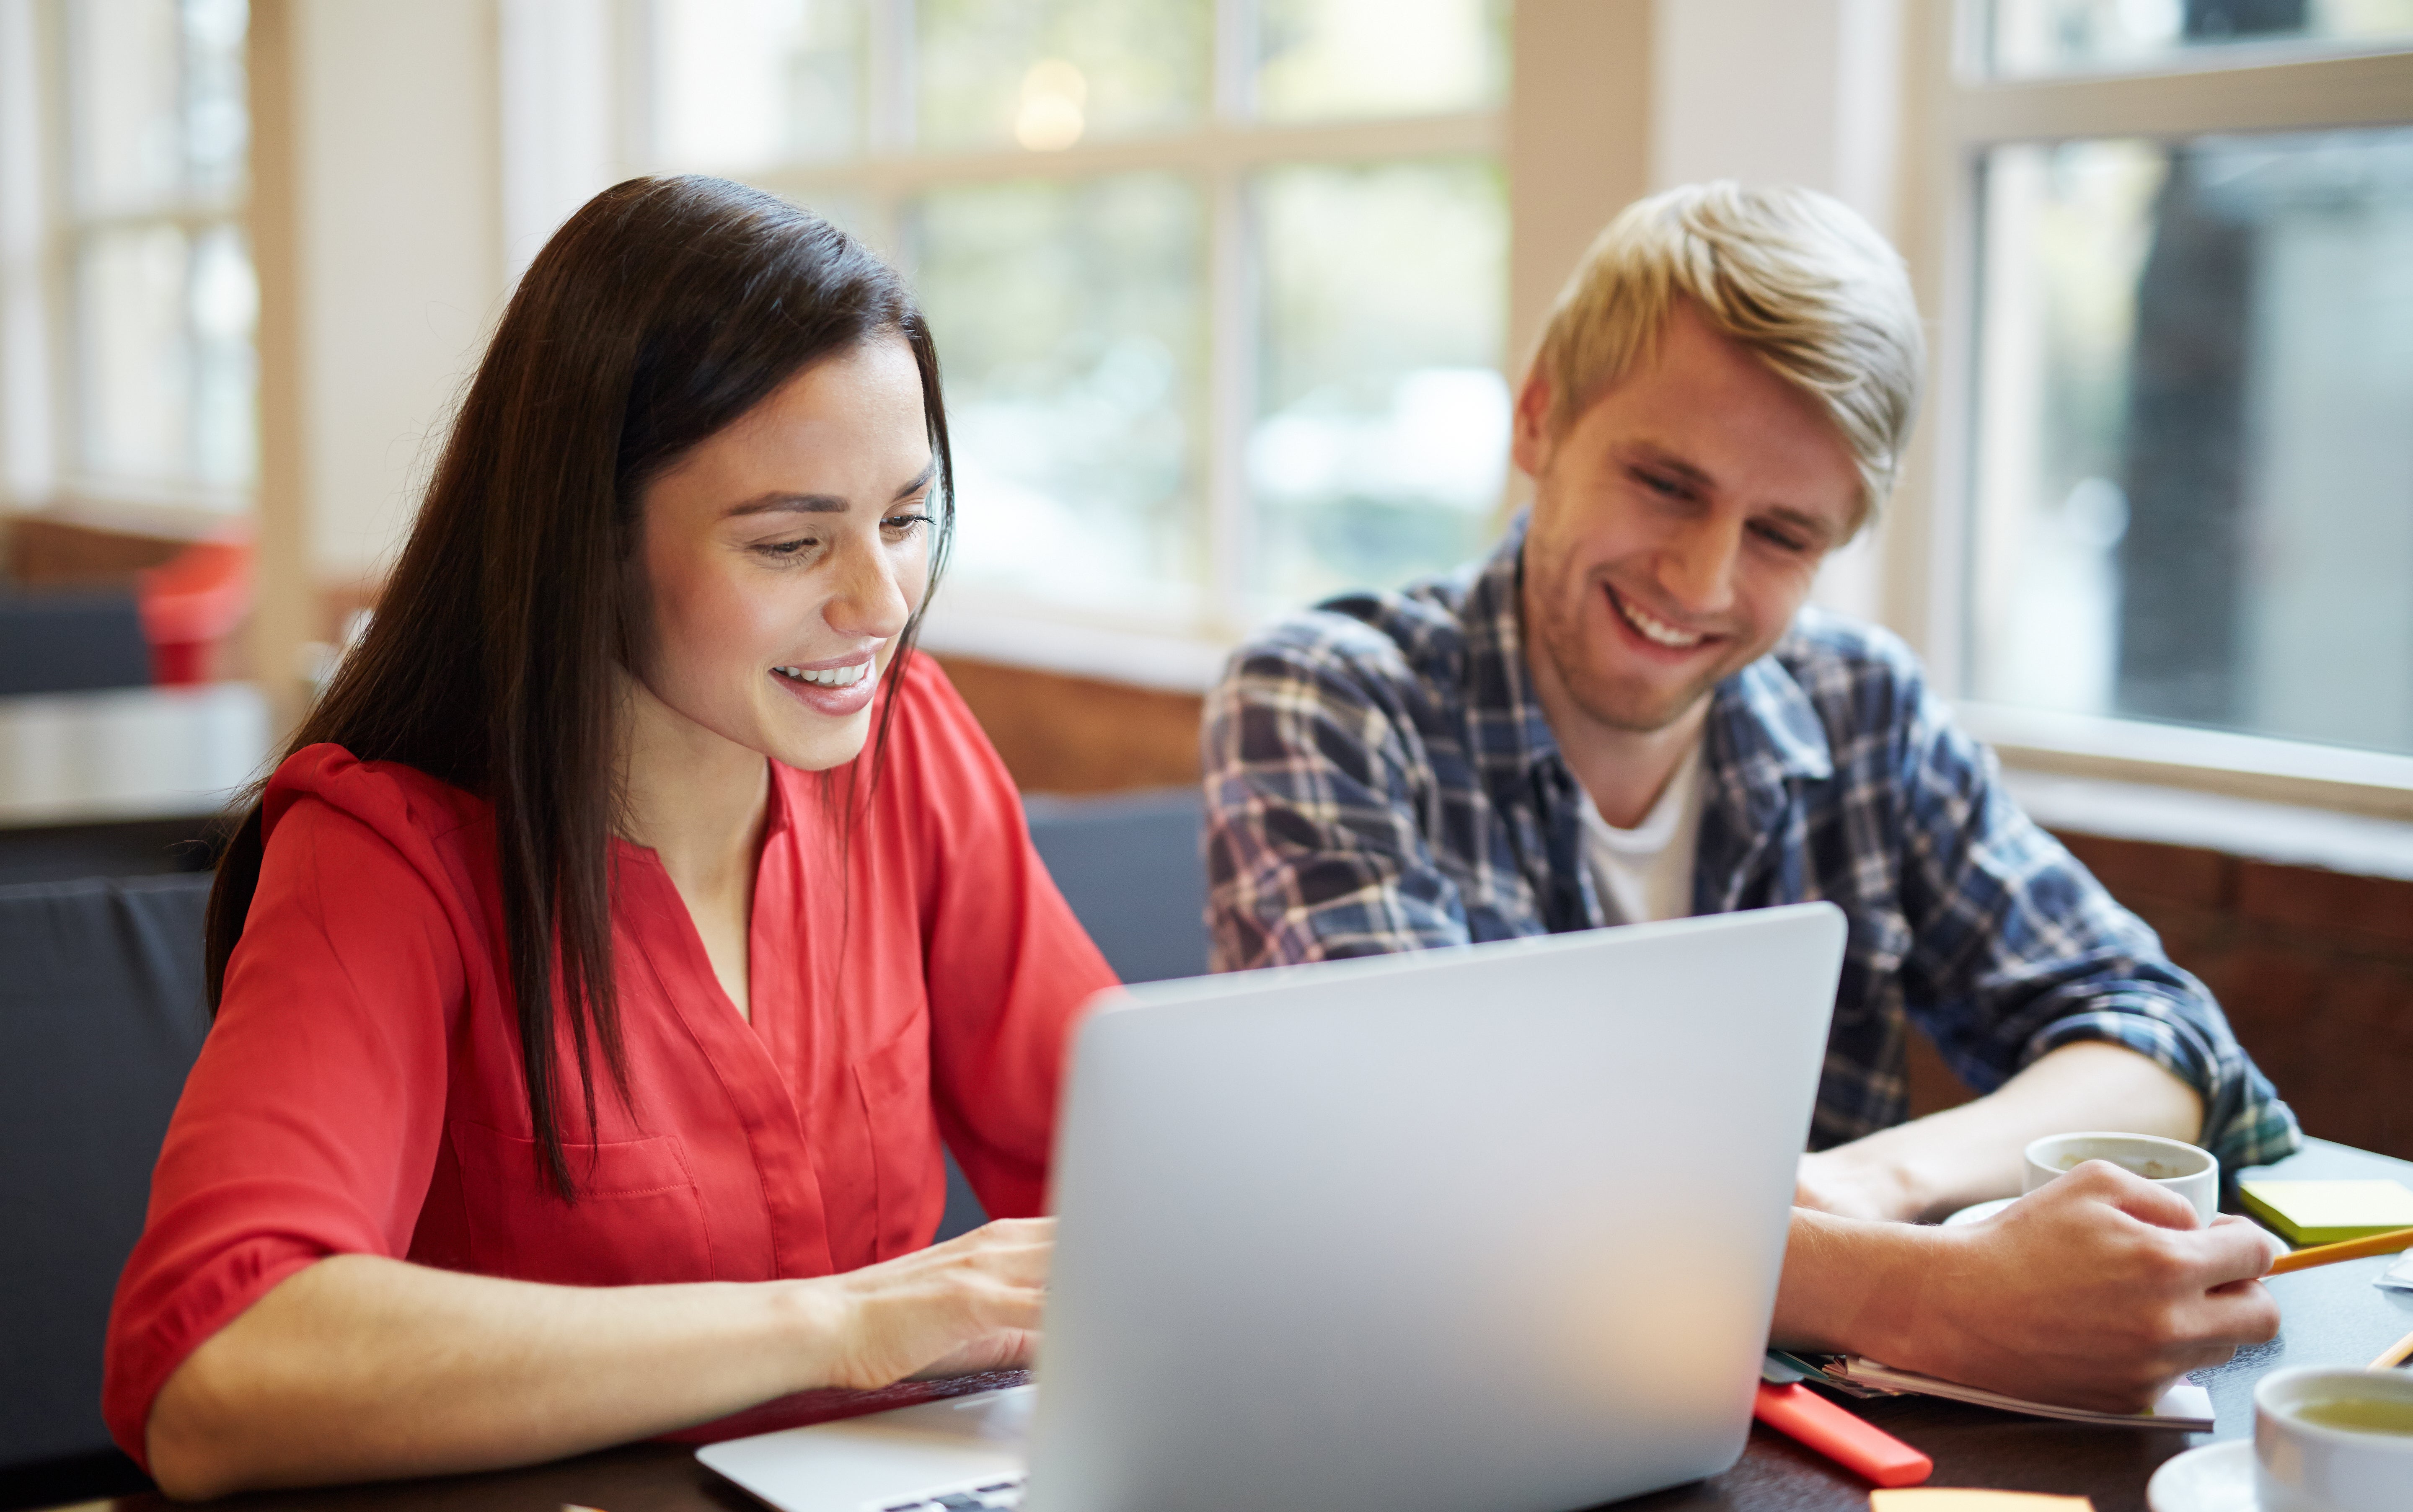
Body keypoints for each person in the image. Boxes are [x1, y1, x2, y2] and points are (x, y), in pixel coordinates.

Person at [1203, 182, 2298, 1414]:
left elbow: (2164, 1034)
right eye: (1667, 483)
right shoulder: (1330, 699)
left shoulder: (1858, 705)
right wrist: (1927, 1293)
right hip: (1445, 1423)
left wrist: (1869, 1189)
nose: (1701, 576)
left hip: (1798, 1450)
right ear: (1540, 415)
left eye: (1782, 534)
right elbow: (1434, 1185)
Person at [103, 176, 1117, 1499]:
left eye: (906, 518)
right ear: (590, 540)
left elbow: (1123, 1171)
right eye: (790, 542)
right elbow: (213, 1370)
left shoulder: (907, 746)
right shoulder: (388, 852)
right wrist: (847, 1320)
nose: (880, 601)